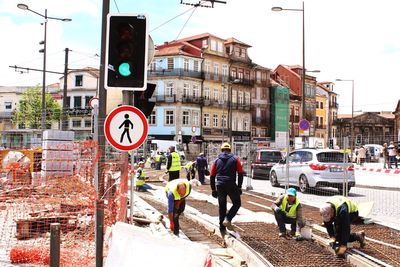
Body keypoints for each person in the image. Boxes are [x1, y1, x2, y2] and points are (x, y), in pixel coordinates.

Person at [210, 142, 244, 233]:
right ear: (230, 150)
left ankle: (222, 227)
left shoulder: (216, 160)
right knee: (237, 203)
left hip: (220, 185)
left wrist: (213, 189)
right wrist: (239, 187)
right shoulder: (235, 159)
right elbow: (240, 173)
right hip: (231, 184)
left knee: (222, 206)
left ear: (222, 150)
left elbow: (212, 175)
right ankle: (228, 218)